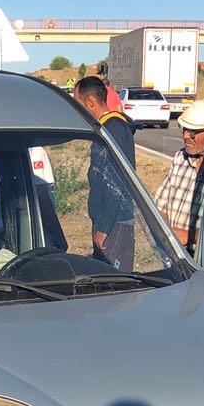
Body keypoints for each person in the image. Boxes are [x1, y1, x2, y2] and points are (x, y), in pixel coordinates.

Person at [74, 76, 137, 270]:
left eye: (78, 104)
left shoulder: (114, 130)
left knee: (116, 284)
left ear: (90, 102)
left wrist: (104, 228)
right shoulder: (106, 129)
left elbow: (116, 183)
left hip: (116, 223)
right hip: (109, 221)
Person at [154, 97, 204, 250]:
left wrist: (188, 236)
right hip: (173, 252)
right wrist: (167, 234)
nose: (185, 136)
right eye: (183, 129)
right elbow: (159, 205)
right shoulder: (180, 158)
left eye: (193, 132)